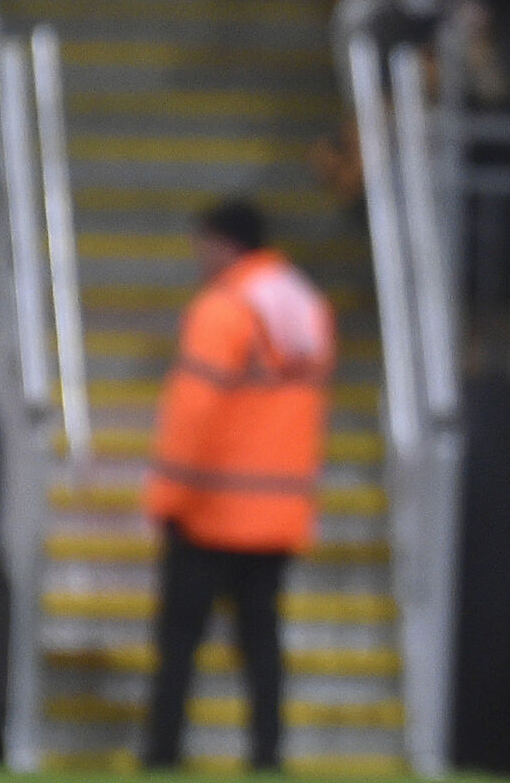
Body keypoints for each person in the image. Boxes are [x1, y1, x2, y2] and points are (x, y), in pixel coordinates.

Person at [142, 199, 336, 771]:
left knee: (179, 646)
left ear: (224, 243)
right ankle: (267, 757)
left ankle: (162, 756)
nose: (199, 257)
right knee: (262, 647)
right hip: (277, 512)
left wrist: (168, 497)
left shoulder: (223, 309)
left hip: (211, 509)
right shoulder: (306, 305)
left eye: (202, 244)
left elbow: (192, 414)